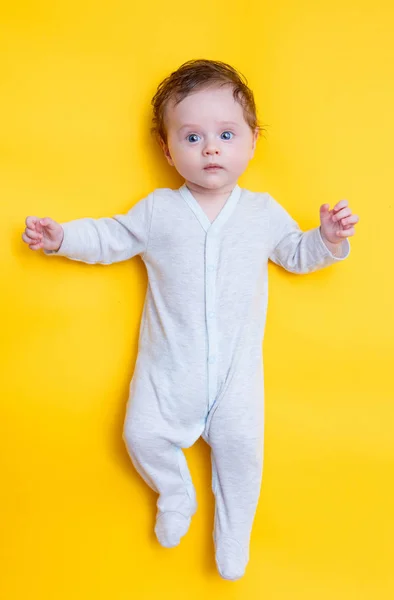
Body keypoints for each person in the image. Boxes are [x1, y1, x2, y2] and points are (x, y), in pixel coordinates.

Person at [21, 59, 359, 581]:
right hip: (168, 369)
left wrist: (328, 239)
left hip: (234, 378)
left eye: (226, 133)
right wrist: (62, 238)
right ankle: (175, 490)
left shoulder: (262, 211)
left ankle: (233, 535)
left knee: (243, 457)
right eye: (192, 136)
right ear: (167, 149)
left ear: (251, 141)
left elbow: (296, 253)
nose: (211, 148)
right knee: (139, 434)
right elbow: (112, 238)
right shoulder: (158, 210)